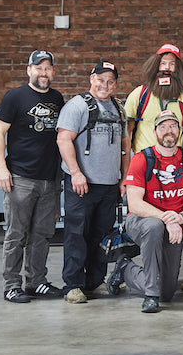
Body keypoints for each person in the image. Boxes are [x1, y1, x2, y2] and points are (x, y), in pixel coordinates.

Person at [107, 111, 183, 313]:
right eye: (163, 127)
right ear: (155, 131)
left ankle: (126, 269)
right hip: (141, 221)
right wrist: (166, 218)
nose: (168, 131)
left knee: (167, 292)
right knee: (154, 226)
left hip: (174, 225)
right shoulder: (143, 159)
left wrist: (180, 217)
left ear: (179, 130)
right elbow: (134, 204)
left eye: (173, 126)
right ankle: (150, 295)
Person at [0, 50, 65, 303]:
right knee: (16, 234)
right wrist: (2, 168)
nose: (43, 72)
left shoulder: (57, 98)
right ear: (29, 70)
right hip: (21, 178)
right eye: (38, 67)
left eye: (47, 68)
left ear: (53, 71)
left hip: (50, 179)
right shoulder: (15, 97)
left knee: (42, 235)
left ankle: (36, 282)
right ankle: (12, 285)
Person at [55, 60, 130, 304]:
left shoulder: (119, 107)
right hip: (82, 184)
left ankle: (95, 282)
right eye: (100, 79)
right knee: (76, 234)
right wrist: (76, 173)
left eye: (110, 81)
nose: (104, 85)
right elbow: (64, 139)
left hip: (109, 185)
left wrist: (123, 178)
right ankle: (73, 285)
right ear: (91, 78)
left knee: (101, 236)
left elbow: (125, 147)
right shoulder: (77, 105)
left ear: (115, 83)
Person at [124, 43, 183, 154]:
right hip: (143, 160)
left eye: (172, 64)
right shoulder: (139, 94)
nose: (167, 68)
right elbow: (126, 131)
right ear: (155, 66)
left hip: (174, 161)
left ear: (179, 70)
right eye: (163, 63)